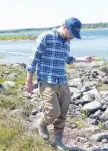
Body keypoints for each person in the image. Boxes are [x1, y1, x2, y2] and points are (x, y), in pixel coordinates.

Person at [26, 17, 93, 150]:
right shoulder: (46, 37)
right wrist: (29, 81)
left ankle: (58, 141)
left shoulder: (67, 41)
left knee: (63, 112)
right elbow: (33, 60)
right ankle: (42, 123)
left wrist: (83, 59)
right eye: (71, 34)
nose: (72, 37)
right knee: (53, 112)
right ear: (64, 27)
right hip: (47, 80)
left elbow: (66, 58)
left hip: (62, 80)